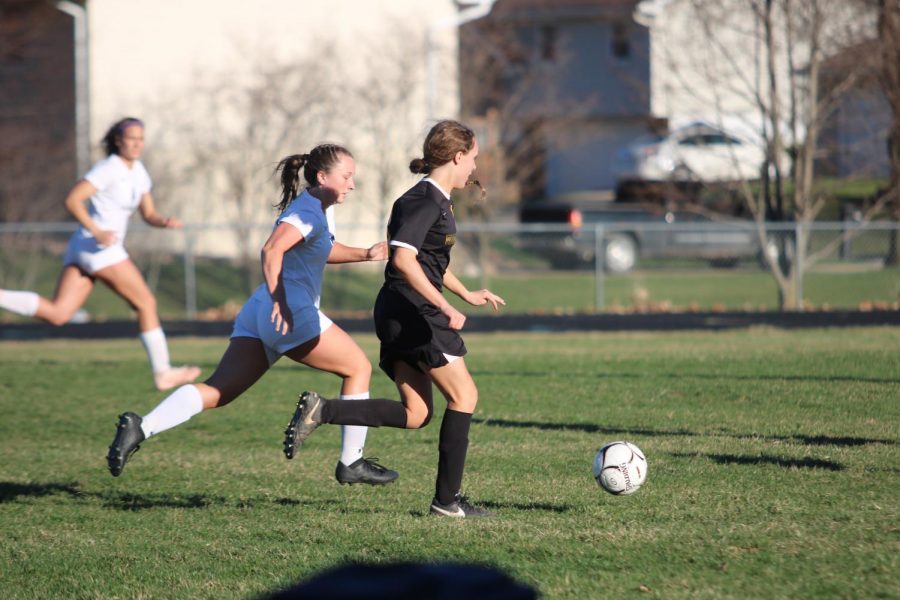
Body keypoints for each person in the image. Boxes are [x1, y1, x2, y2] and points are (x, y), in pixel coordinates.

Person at [107, 144, 399, 486]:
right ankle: (352, 462)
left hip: (260, 310)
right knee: (358, 367)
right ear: (323, 177)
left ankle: (142, 426)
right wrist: (281, 301)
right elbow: (272, 248)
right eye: (347, 176)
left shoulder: (318, 207)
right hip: (287, 310)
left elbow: (318, 247)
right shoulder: (307, 212)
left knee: (219, 390)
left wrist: (364, 253)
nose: (352, 184)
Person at [283, 120, 505, 517]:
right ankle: (447, 502)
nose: (474, 168)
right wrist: (445, 307)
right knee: (465, 396)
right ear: (457, 156)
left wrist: (465, 293)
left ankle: (324, 411)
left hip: (400, 309)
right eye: (472, 158)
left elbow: (428, 262)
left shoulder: (434, 199)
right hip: (414, 310)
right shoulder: (424, 201)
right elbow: (403, 260)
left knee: (417, 413)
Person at [0, 117, 201, 391]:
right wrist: (96, 230)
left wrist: (163, 221)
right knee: (146, 303)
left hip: (86, 248)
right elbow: (73, 198)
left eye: (141, 138)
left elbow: (148, 213)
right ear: (118, 141)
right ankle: (163, 372)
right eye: (131, 138)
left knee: (59, 313)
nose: (137, 143)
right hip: (99, 248)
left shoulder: (139, 171)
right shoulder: (109, 168)